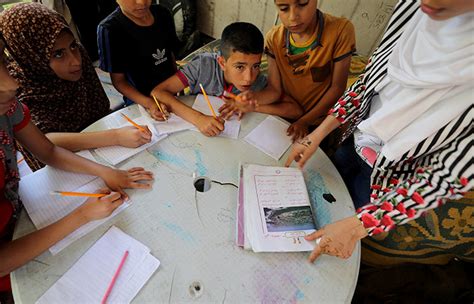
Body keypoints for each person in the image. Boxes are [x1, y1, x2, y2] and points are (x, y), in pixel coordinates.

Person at [285, 0, 473, 262]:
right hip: (355, 138)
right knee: (321, 193)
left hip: (386, 176)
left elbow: (445, 178)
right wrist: (316, 135)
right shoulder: (413, 9)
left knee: (336, 233)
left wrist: (355, 228)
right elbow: (367, 84)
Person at [0, 34, 154, 292]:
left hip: (19, 212)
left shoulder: (7, 106)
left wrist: (105, 171)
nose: (12, 83)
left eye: (2, 62)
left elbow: (48, 149)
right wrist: (82, 214)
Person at [0, 3, 151, 171]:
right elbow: (45, 142)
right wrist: (115, 137)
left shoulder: (80, 57)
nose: (75, 61)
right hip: (61, 168)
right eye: (58, 54)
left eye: (72, 46)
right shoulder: (15, 86)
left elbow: (100, 109)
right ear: (31, 56)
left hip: (108, 150)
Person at [153, 22, 303, 137]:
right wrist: (198, 119)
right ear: (222, 63)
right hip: (192, 134)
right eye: (240, 67)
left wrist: (253, 107)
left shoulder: (258, 84)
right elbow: (158, 92)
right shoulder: (203, 66)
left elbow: (295, 110)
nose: (249, 78)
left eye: (256, 66)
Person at [237, 0, 355, 141]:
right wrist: (249, 100)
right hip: (283, 112)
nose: (293, 16)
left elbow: (337, 88)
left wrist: (305, 121)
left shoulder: (340, 31)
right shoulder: (274, 38)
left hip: (317, 121)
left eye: (303, 4)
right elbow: (274, 88)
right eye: (284, 8)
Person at [98, 0, 180, 120]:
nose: (142, 2)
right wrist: (149, 103)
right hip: (140, 101)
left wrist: (178, 86)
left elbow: (170, 55)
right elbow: (119, 81)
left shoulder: (162, 14)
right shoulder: (110, 29)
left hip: (171, 92)